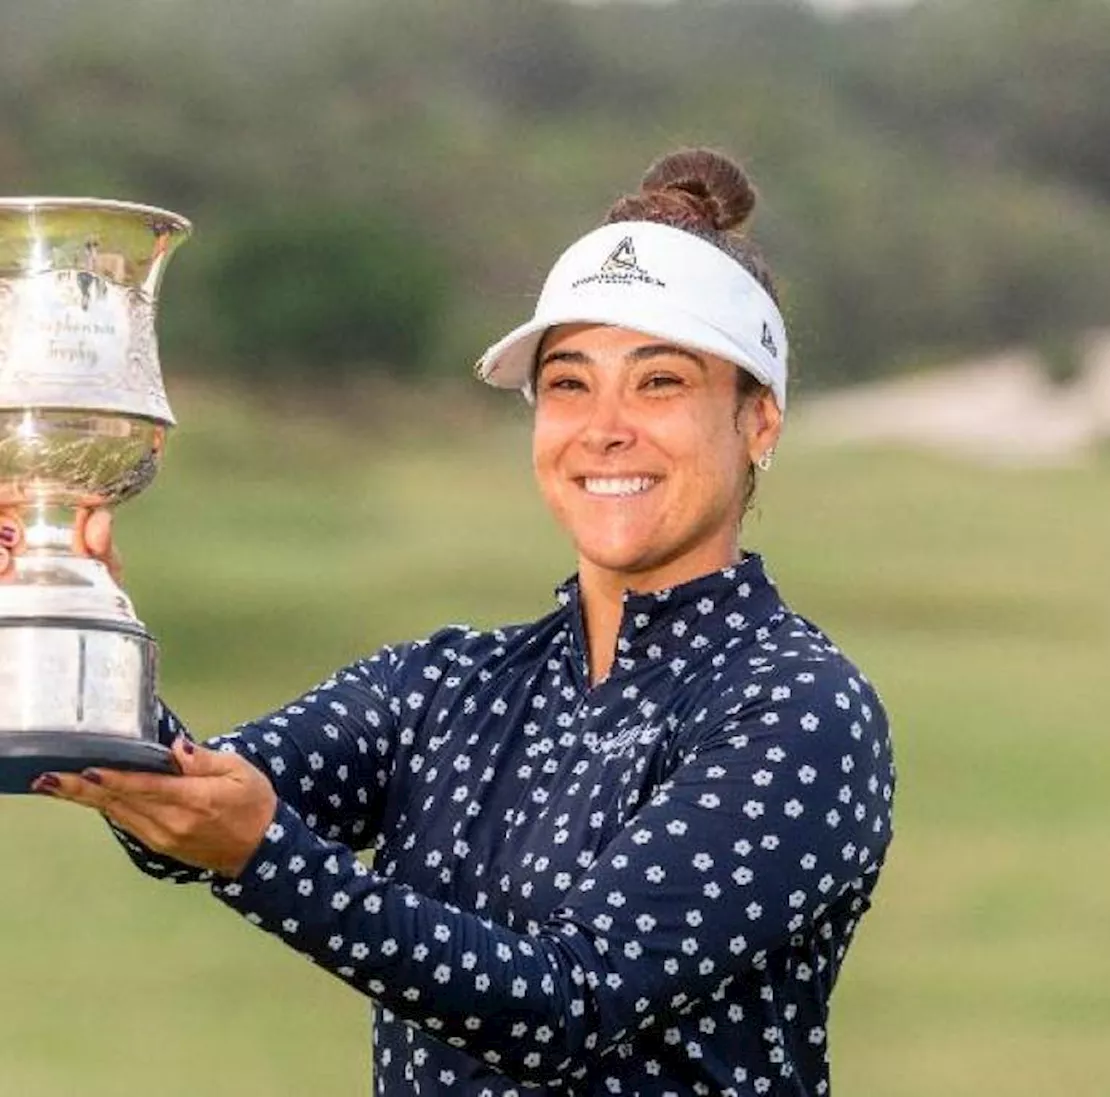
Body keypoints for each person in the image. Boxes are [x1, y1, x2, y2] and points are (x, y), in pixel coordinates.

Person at [12, 148, 896, 1097]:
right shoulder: (445, 684)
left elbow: (571, 1002)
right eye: (568, 384)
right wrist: (64, 608)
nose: (604, 427)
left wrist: (267, 856)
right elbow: (188, 810)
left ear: (759, 421)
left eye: (661, 382)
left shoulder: (801, 708)